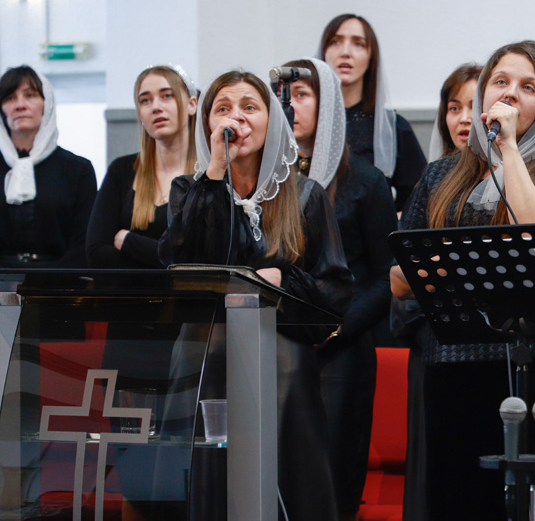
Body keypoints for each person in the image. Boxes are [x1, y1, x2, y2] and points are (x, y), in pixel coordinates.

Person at [390, 40, 535, 520]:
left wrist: (509, 149)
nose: (511, 93)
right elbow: (399, 275)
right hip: (453, 364)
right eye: (501, 81)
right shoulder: (440, 173)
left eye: (528, 87)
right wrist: (455, 268)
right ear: (483, 94)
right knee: (457, 502)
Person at [158, 70, 354, 520]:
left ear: (272, 121)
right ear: (208, 124)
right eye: (223, 108)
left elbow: (335, 290)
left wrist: (281, 280)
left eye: (250, 107)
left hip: (281, 362)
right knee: (210, 481)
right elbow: (177, 261)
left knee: (281, 482)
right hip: (205, 357)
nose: (237, 118)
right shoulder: (188, 190)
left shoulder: (305, 195)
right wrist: (215, 172)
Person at [282, 56, 396, 521]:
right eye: (284, 96)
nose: (290, 105)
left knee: (331, 481)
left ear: (327, 104)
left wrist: (336, 328)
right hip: (281, 344)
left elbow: (387, 275)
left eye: (301, 95)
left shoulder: (365, 181)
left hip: (341, 349)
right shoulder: (272, 181)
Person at [391, 61, 481, 521]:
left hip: (492, 352)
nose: (463, 118)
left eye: (473, 106)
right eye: (453, 107)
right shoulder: (432, 178)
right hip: (435, 347)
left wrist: (437, 268)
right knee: (438, 482)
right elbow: (397, 276)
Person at [87, 64, 198, 268]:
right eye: (145, 100)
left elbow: (198, 262)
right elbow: (97, 253)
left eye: (167, 96)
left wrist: (129, 241)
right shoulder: (121, 170)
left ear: (192, 105)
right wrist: (163, 260)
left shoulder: (209, 175)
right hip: (125, 290)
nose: (156, 107)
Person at [318, 13, 426, 212]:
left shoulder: (394, 127)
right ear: (323, 53)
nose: (345, 52)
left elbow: (418, 197)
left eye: (358, 44)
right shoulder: (305, 123)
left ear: (371, 58)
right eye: (335, 42)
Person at [0, 65, 96, 267]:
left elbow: (84, 241)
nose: (20, 105)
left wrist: (51, 281)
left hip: (60, 279)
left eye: (30, 95)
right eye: (10, 98)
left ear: (47, 104)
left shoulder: (78, 169)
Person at [427, 63, 482, 161]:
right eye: (454, 109)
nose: (464, 119)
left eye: (474, 107)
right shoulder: (437, 169)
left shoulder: (507, 167)